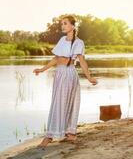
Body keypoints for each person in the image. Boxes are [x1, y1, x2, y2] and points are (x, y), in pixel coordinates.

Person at [33, 15, 98, 148]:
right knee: (57, 102)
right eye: (61, 24)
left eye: (65, 23)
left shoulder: (79, 42)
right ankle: (64, 133)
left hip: (69, 74)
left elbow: (82, 62)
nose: (62, 26)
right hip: (59, 74)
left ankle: (54, 135)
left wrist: (89, 77)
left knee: (67, 102)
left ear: (73, 26)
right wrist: (42, 69)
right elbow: (56, 59)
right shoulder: (62, 40)